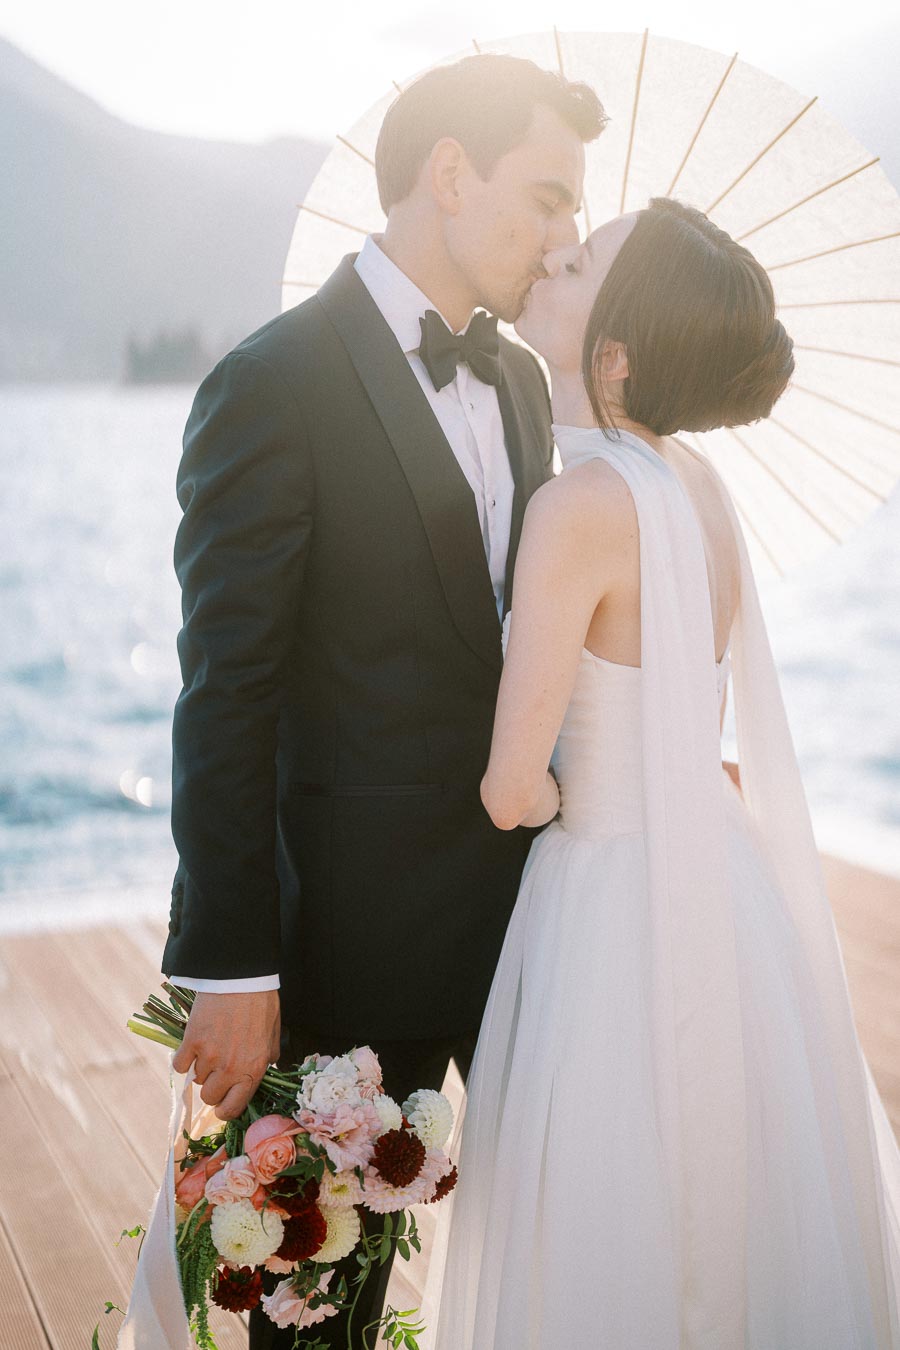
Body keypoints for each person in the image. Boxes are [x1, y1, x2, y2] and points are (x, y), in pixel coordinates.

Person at [159, 53, 608, 1345]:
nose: (560, 235)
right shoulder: (272, 382)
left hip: (531, 921)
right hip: (347, 954)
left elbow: (528, 636)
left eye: (574, 210)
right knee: (315, 1316)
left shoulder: (524, 383)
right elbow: (224, 687)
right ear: (450, 176)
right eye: (544, 196)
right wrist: (235, 961)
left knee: (554, 1260)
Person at [426, 198, 900, 1348]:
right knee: (728, 1213)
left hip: (610, 903)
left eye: (579, 261)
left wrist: (556, 795)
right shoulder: (702, 491)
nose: (551, 252)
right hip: (724, 897)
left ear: (618, 353)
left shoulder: (576, 505)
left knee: (607, 1226)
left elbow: (507, 790)